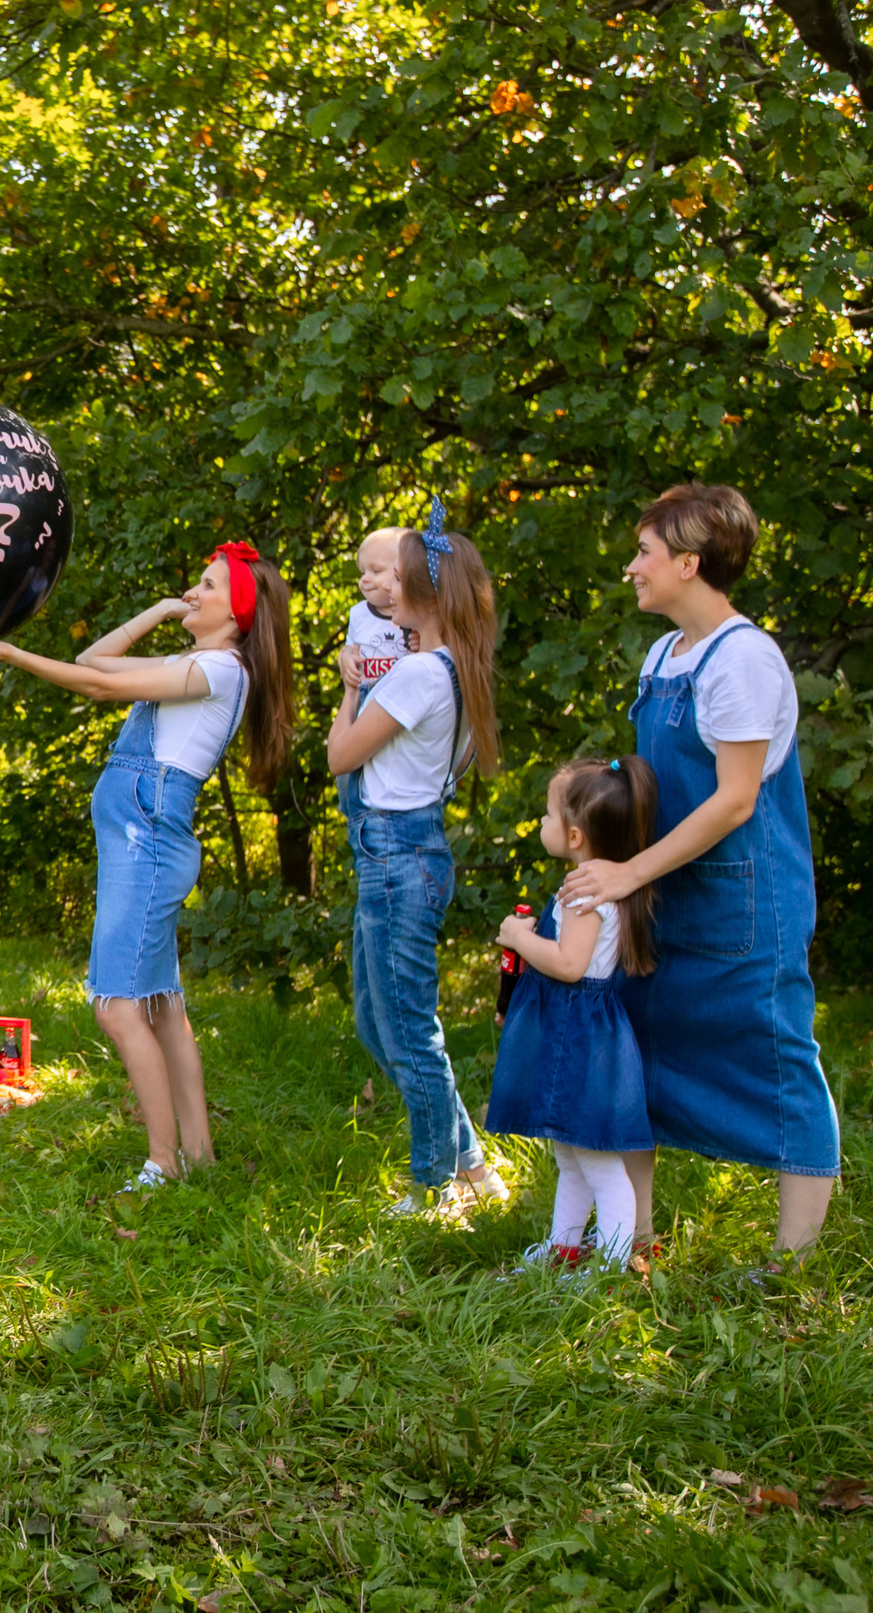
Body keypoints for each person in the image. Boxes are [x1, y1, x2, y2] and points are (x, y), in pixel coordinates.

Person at [0, 542, 295, 1189]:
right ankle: (197, 1155)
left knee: (116, 1006)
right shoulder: (197, 662)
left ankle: (163, 1162)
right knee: (162, 1006)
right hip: (142, 834)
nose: (194, 592)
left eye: (208, 585)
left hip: (148, 838)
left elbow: (98, 684)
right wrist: (161, 610)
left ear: (238, 613)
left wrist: (11, 652)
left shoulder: (220, 668)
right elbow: (95, 659)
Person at [560, 483, 841, 1261]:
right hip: (667, 895)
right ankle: (635, 1241)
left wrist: (627, 874)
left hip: (744, 901)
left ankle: (791, 1264)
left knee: (777, 1059)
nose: (632, 567)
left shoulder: (743, 660)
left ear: (689, 562)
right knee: (639, 1057)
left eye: (644, 552)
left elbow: (735, 800)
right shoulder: (664, 655)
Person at [327, 501, 512, 1218]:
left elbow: (341, 755)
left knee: (408, 1032)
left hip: (397, 856)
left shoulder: (416, 676)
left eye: (396, 579)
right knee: (380, 1025)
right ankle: (472, 1164)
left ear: (424, 595)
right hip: (404, 852)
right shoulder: (452, 668)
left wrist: (350, 688)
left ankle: (435, 1187)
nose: (384, 588)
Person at [487, 758, 660, 1270]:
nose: (542, 822)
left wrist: (519, 937)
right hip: (574, 1028)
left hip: (579, 1035)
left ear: (576, 835)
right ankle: (563, 1247)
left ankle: (611, 1265)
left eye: (547, 815)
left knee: (597, 1160)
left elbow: (569, 965)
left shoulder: (582, 895)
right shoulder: (590, 886)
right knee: (570, 1153)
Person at [338, 525, 414, 688]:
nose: (364, 579)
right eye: (362, 572)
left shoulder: (414, 613)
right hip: (366, 694)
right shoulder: (359, 613)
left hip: (404, 694)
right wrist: (345, 658)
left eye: (376, 571)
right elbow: (350, 647)